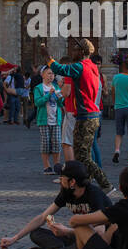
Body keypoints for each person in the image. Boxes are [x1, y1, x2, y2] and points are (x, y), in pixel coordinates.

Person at [0, 160, 111, 249]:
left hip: (100, 242)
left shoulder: (94, 195)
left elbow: (99, 232)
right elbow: (43, 217)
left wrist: (67, 231)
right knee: (35, 233)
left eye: (62, 178)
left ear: (72, 182)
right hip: (76, 238)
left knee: (84, 244)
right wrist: (15, 238)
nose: (60, 181)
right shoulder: (66, 193)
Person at [42, 38, 111, 191]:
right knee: (84, 153)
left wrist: (47, 56)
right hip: (92, 114)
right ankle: (84, 184)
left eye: (74, 49)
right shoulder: (92, 66)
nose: (72, 51)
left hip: (85, 115)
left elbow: (59, 69)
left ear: (82, 52)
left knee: (84, 156)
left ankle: (106, 185)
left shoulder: (80, 67)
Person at [33, 66, 64, 173]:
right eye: (49, 73)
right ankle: (46, 166)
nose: (51, 76)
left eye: (52, 74)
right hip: (43, 120)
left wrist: (60, 97)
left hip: (56, 120)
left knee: (56, 143)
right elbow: (38, 102)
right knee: (45, 143)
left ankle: (57, 165)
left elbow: (60, 103)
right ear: (43, 75)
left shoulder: (56, 87)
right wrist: (48, 95)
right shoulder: (38, 88)